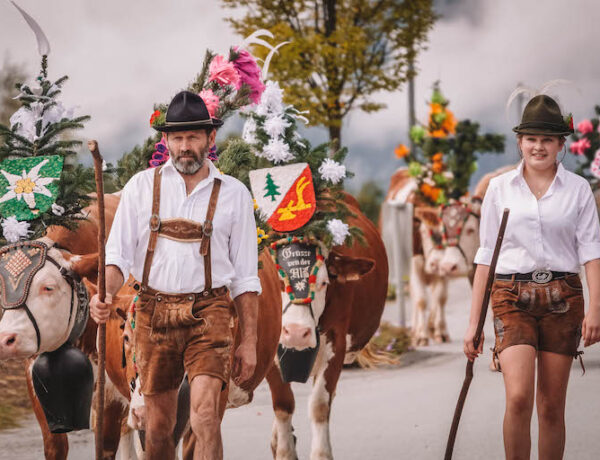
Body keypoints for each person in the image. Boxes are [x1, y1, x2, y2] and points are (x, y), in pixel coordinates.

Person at [90, 91, 261, 460]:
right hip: (153, 310)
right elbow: (117, 256)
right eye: (178, 138)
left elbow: (246, 278)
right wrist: (106, 293)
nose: (185, 146)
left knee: (204, 415)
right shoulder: (141, 187)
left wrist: (249, 340)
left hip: (210, 312)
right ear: (165, 141)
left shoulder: (234, 194)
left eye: (194, 137)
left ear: (209, 138)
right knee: (157, 426)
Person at [464, 94, 600, 460]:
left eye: (547, 139)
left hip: (564, 297)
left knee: (551, 406)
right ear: (520, 142)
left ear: (560, 144)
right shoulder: (499, 189)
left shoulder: (578, 190)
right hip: (511, 296)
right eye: (531, 139)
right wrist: (474, 323)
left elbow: (591, 251)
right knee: (520, 397)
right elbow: (485, 258)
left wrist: (595, 309)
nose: (538, 146)